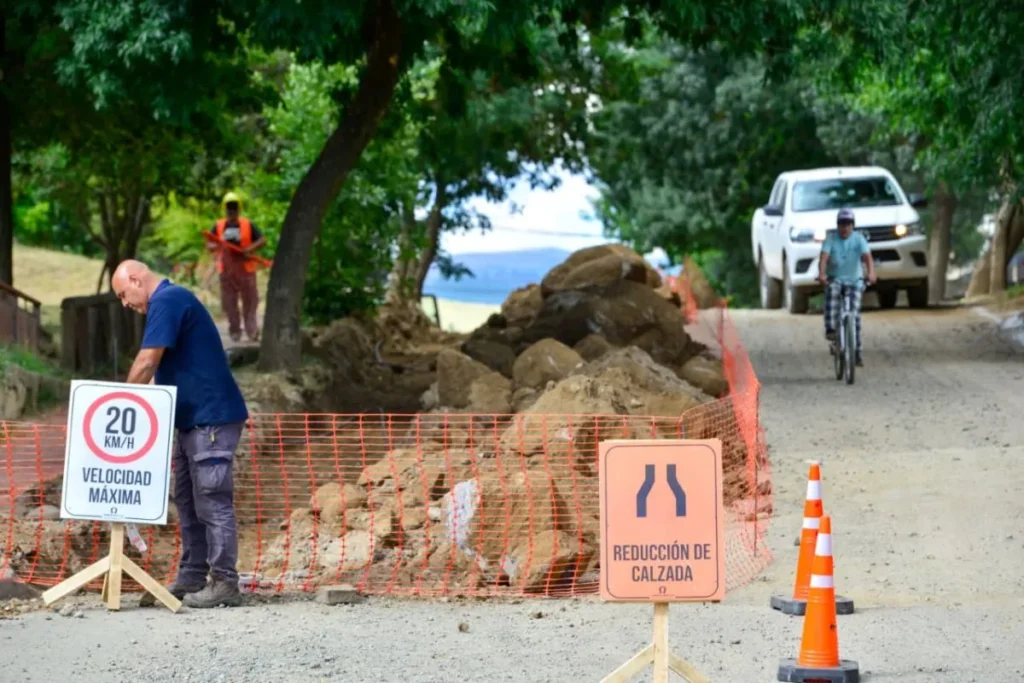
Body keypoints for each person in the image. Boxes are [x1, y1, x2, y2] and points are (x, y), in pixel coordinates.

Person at [111, 259, 249, 608]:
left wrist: (119, 404)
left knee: (212, 499)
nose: (125, 304)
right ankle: (191, 576)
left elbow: (147, 362)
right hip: (191, 421)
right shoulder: (170, 302)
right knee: (187, 501)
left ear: (136, 279)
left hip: (211, 419)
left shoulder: (167, 301)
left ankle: (224, 583)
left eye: (123, 294)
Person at [818, 208, 877, 367]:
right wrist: (822, 274)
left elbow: (867, 258)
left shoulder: (859, 239)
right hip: (835, 279)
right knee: (832, 296)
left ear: (853, 225)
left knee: (855, 315)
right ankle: (832, 331)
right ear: (837, 225)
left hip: (855, 281)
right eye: (841, 224)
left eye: (848, 224)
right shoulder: (831, 239)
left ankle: (857, 353)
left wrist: (871, 273)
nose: (844, 228)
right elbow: (824, 258)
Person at [207, 191, 266, 343]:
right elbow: (209, 244)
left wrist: (250, 249)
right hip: (226, 270)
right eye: (229, 207)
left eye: (234, 207)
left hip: (246, 268)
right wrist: (215, 245)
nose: (231, 210)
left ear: (239, 208)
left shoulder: (248, 224)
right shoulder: (218, 225)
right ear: (225, 209)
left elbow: (262, 240)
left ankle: (252, 330)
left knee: (250, 301)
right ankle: (235, 331)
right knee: (229, 302)